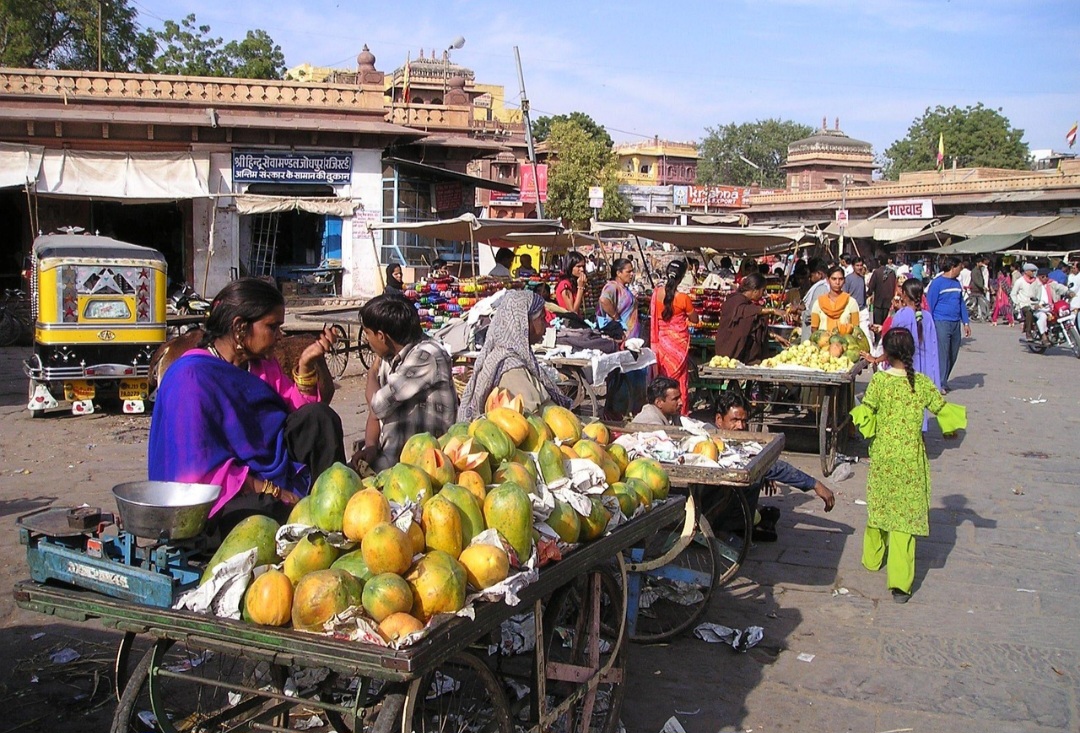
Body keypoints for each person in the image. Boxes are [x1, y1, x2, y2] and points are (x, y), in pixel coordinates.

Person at [148, 278, 344, 525]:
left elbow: (299, 418)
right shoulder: (191, 377)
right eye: (272, 327)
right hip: (219, 494)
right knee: (265, 511)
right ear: (240, 327)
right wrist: (272, 490)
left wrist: (305, 364)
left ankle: (333, 509)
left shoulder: (261, 366)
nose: (279, 336)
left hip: (268, 472)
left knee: (320, 418)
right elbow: (200, 469)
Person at [850, 329, 966, 603]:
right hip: (911, 459)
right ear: (912, 353)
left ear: (886, 355)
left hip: (883, 456)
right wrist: (952, 430)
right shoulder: (921, 383)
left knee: (879, 506)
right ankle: (900, 585)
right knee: (903, 519)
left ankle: (872, 559)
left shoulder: (879, 383)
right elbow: (943, 410)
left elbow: (865, 413)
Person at [712, 392, 835, 542]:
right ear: (719, 419)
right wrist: (815, 484)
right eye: (735, 420)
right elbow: (775, 467)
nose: (740, 426)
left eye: (744, 421)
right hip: (713, 507)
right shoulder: (712, 442)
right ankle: (727, 527)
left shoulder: (734, 440)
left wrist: (765, 474)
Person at [358, 294, 457, 471]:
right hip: (389, 462)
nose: (366, 340)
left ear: (381, 336)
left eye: (367, 333)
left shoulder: (427, 355)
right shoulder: (389, 356)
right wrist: (370, 446)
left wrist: (371, 372)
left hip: (422, 468)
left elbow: (378, 404)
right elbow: (375, 413)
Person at [458, 290, 571, 420]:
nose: (546, 324)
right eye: (541, 318)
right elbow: (531, 418)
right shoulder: (511, 367)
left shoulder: (516, 357)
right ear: (523, 322)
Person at [649, 260, 699, 415]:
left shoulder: (656, 293)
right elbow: (695, 319)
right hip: (678, 346)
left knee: (663, 379)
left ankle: (661, 409)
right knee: (679, 380)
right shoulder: (683, 298)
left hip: (662, 344)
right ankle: (680, 412)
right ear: (682, 276)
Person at [714, 272, 782, 364]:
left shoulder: (747, 303)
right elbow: (746, 311)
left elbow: (754, 324)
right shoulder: (736, 301)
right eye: (762, 290)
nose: (763, 294)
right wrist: (772, 310)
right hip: (727, 352)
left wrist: (775, 336)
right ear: (755, 290)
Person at [926, 256, 971, 392]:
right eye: (959, 267)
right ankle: (939, 383)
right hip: (941, 322)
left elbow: (961, 303)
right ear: (953, 267)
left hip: (955, 323)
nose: (961, 269)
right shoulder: (937, 283)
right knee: (942, 353)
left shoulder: (957, 284)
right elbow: (929, 305)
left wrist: (966, 322)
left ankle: (944, 379)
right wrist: (929, 325)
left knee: (953, 353)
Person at [596, 258, 640, 340]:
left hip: (630, 334)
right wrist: (616, 318)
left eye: (632, 271)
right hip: (622, 334)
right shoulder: (612, 286)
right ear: (619, 273)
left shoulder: (623, 288)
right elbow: (604, 300)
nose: (632, 274)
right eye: (628, 272)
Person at [811, 266, 861, 335]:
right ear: (828, 280)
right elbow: (814, 329)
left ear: (844, 281)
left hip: (845, 344)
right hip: (823, 344)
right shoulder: (819, 303)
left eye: (840, 279)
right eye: (834, 279)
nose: (837, 282)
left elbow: (856, 329)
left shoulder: (851, 302)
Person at [1032, 268, 1074, 345]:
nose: (1045, 278)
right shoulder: (1034, 285)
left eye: (1046, 276)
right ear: (1038, 277)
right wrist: (1035, 305)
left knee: (1064, 314)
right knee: (1043, 317)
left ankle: (1060, 333)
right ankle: (1043, 336)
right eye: (1043, 276)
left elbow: (1060, 287)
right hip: (1040, 309)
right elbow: (1030, 296)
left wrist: (1068, 292)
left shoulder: (1052, 283)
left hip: (1052, 307)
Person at [797, 260, 830, 342]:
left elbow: (812, 315)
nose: (809, 279)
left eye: (811, 275)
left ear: (819, 274)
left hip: (814, 335)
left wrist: (800, 313)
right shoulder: (823, 287)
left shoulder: (821, 288)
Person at [1010, 262, 1043, 340]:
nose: (1034, 273)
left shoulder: (1037, 281)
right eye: (1032, 271)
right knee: (1029, 311)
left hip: (1035, 304)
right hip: (1023, 305)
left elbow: (1040, 292)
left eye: (1034, 271)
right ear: (1026, 271)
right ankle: (1028, 332)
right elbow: (1013, 294)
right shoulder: (1020, 281)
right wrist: (1017, 303)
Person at [867, 257, 897, 330]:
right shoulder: (892, 273)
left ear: (879, 262)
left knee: (877, 325)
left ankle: (878, 340)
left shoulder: (876, 272)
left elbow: (871, 286)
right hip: (889, 302)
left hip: (878, 303)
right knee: (886, 325)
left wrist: (868, 294)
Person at [969, 256, 990, 322]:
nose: (982, 264)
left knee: (981, 303)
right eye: (980, 262)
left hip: (979, 289)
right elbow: (976, 281)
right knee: (976, 303)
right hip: (976, 289)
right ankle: (972, 314)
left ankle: (981, 316)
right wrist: (982, 286)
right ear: (977, 263)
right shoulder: (974, 271)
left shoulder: (980, 270)